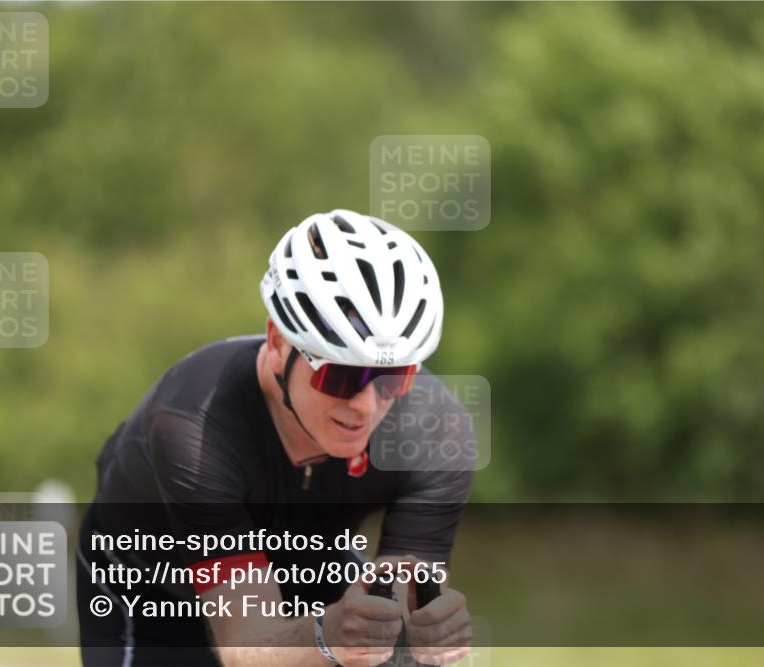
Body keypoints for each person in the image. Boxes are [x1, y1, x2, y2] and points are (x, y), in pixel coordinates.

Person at [77, 210, 476, 667]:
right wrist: (327, 635)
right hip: (154, 587)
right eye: (342, 376)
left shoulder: (435, 431)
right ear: (277, 341)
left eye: (393, 378)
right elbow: (247, 644)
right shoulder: (196, 426)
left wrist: (426, 636)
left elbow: (403, 620)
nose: (366, 405)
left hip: (310, 564)